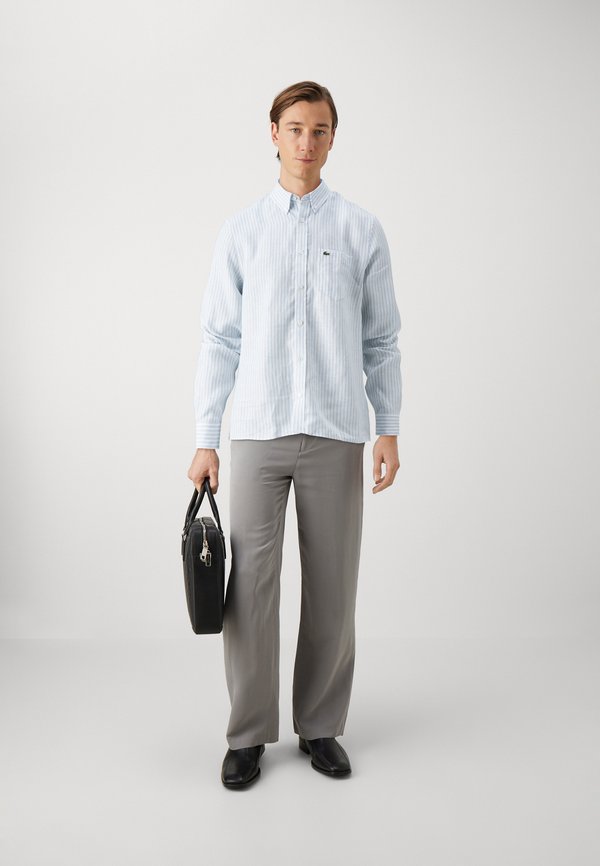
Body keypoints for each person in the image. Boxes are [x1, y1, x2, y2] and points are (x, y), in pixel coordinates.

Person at [187, 80, 402, 789]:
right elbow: (219, 339)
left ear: (333, 139)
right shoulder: (242, 232)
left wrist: (388, 429)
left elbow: (382, 340)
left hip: (337, 432)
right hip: (257, 431)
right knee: (249, 589)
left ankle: (321, 725)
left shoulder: (361, 230)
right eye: (295, 128)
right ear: (273, 134)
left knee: (334, 585)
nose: (307, 142)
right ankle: (248, 734)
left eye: (320, 130)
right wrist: (207, 437)